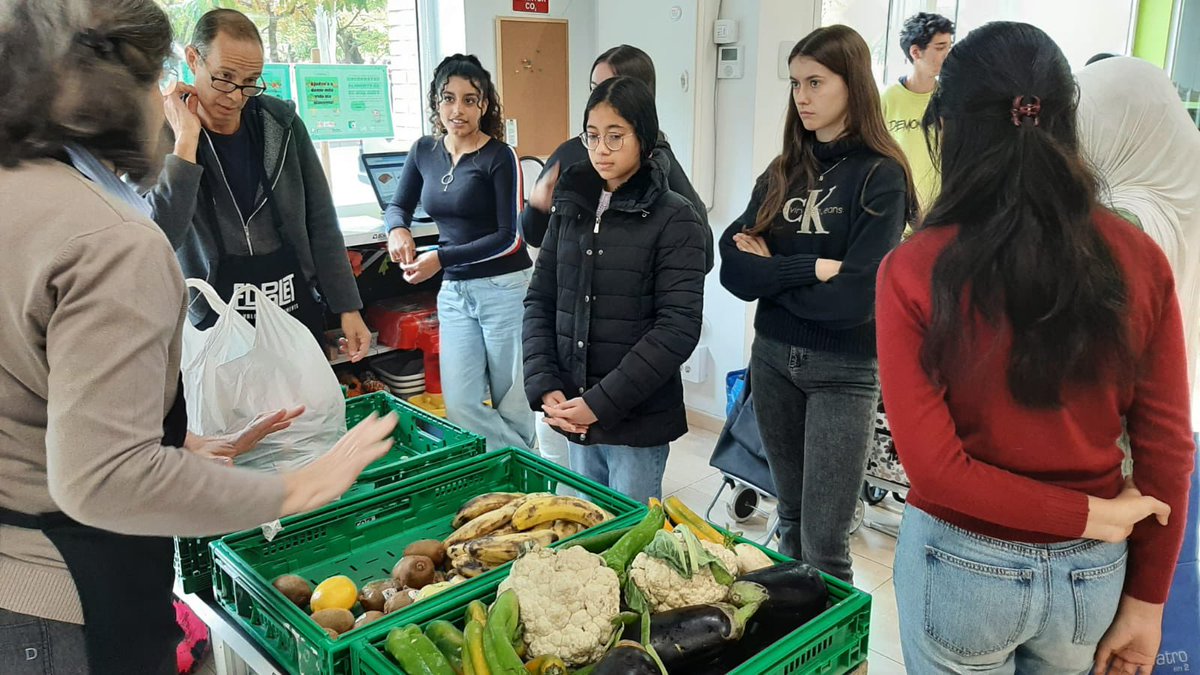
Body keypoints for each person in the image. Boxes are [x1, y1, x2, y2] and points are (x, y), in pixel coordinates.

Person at [0, 1, 398, 673]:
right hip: (65, 586)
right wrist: (290, 490)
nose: (171, 97)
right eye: (159, 75)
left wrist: (174, 440)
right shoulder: (110, 237)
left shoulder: (24, 186)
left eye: (252, 83)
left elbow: (43, 376)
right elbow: (102, 475)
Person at [876, 22, 1194, 674]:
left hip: (961, 563)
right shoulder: (1138, 259)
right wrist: (1146, 601)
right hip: (1092, 577)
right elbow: (1168, 447)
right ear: (1068, 120)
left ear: (949, 127)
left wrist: (1089, 517)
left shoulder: (913, 268)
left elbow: (935, 469)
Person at [718, 25, 914, 582]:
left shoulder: (882, 175)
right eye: (795, 83)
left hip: (843, 372)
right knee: (791, 520)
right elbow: (732, 268)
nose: (801, 96)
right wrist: (809, 269)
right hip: (773, 359)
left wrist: (772, 275)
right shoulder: (784, 172)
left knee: (825, 544)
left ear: (852, 84)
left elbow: (855, 299)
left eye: (815, 82)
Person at [523, 77, 706, 503]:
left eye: (615, 137)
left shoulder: (675, 217)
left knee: (627, 543)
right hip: (572, 409)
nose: (601, 149)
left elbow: (676, 328)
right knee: (582, 535)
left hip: (636, 420)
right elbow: (540, 298)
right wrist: (546, 383)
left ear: (643, 137)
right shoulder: (572, 203)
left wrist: (600, 403)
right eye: (592, 136)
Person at [151, 9, 372, 361]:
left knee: (309, 411)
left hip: (292, 306)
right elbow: (158, 237)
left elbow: (321, 220)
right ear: (193, 59)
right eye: (224, 77)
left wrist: (348, 306)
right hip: (215, 324)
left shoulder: (280, 124)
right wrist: (186, 144)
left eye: (251, 81)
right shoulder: (161, 136)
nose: (237, 96)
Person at [385, 54, 535, 452]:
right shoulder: (423, 151)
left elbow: (510, 238)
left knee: (514, 402)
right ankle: (521, 460)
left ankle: (522, 479)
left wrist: (440, 257)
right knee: (461, 402)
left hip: (504, 289)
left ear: (484, 105)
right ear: (436, 101)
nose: (458, 110)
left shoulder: (500, 156)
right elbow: (397, 205)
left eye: (470, 100)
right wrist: (396, 229)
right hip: (455, 294)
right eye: (449, 98)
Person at [522, 45, 713, 268]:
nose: (601, 98)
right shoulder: (571, 153)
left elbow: (702, 254)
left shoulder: (659, 161)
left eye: (612, 88)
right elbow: (534, 236)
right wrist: (537, 207)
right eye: (595, 89)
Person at [880, 11, 954, 219]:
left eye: (949, 46)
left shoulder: (951, 99)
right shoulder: (888, 98)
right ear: (915, 52)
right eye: (940, 48)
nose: (948, 54)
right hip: (896, 212)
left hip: (940, 214)